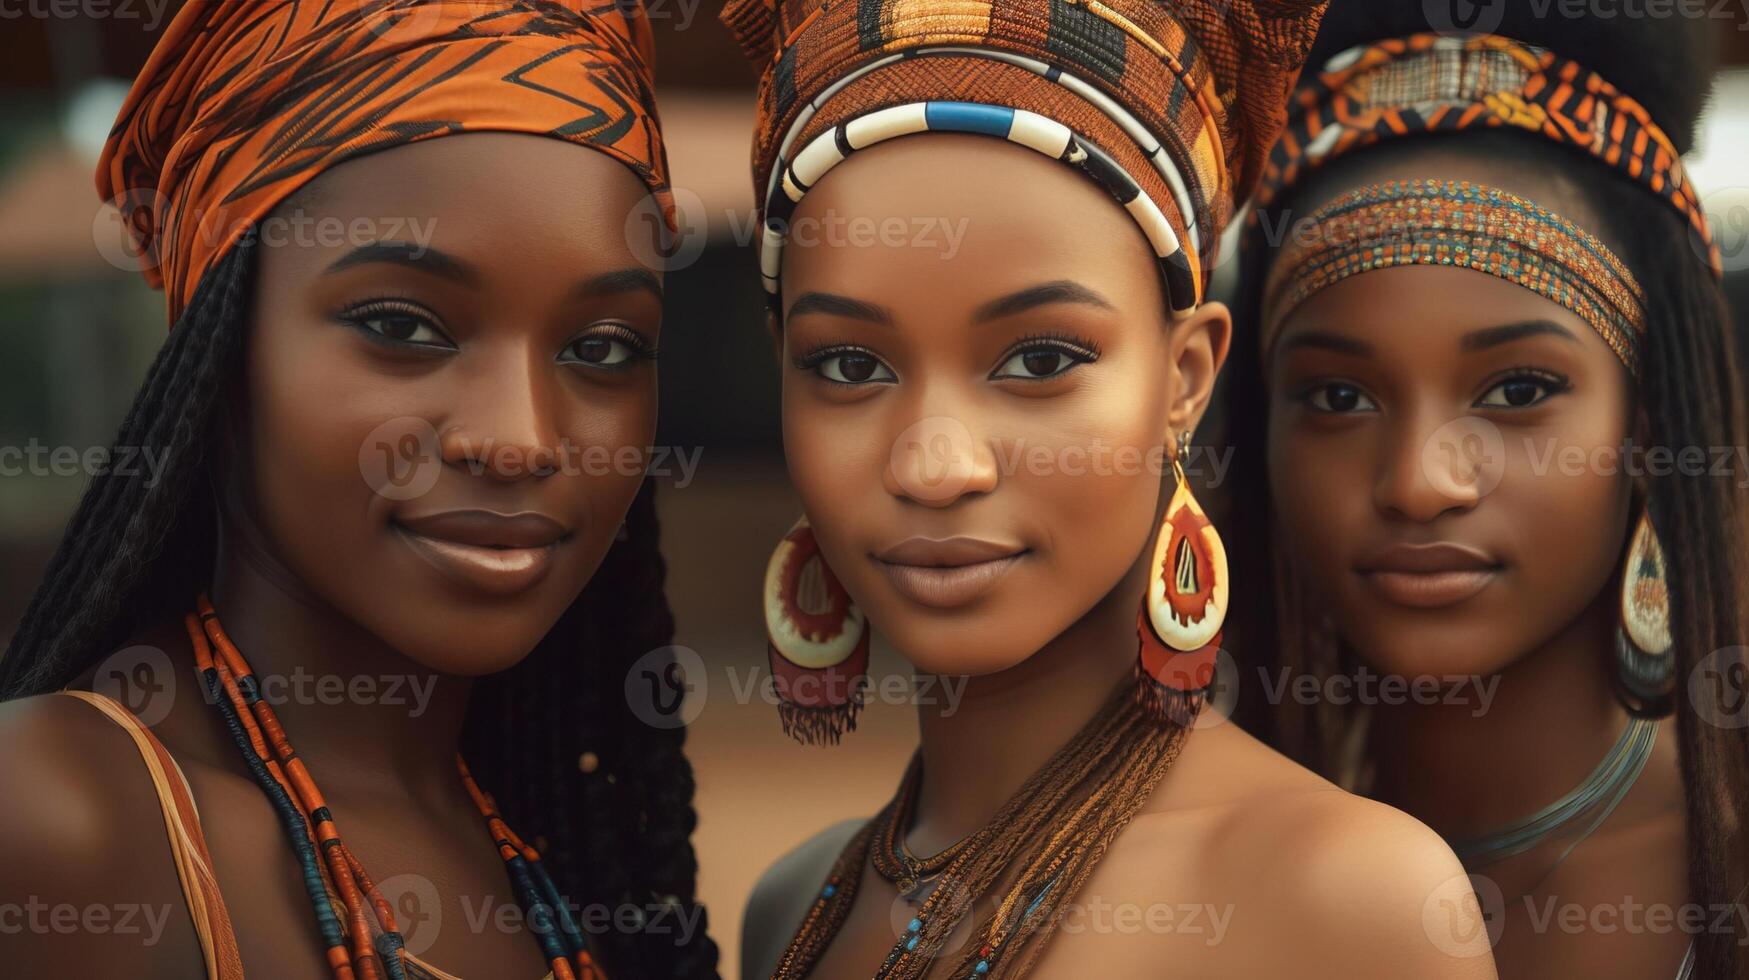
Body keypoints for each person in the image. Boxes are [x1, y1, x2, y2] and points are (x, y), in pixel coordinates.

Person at [720, 0, 1497, 976]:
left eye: (1040, 358)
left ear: (1184, 378)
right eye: (846, 366)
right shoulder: (797, 907)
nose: (935, 462)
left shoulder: (1343, 901)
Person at [0, 2, 715, 977]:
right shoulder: (62, 819)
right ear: (221, 346)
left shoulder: (557, 847)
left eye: (602, 347)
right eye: (405, 327)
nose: (520, 438)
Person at [1217, 7, 1749, 977]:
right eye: (1338, 396)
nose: (1420, 480)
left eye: (1519, 390)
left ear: (1649, 426)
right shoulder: (1184, 890)